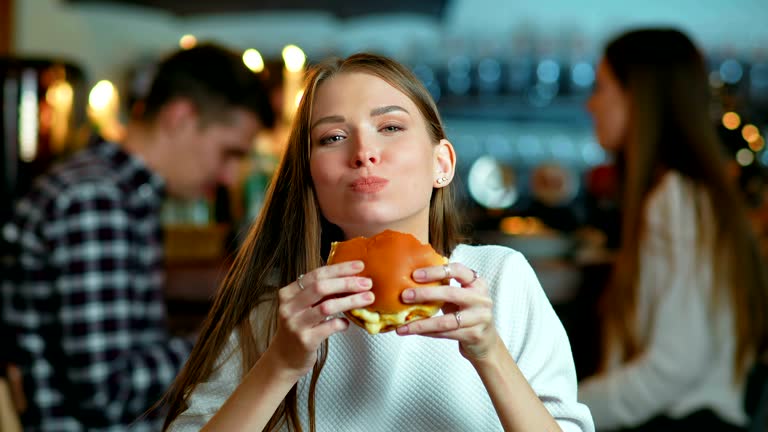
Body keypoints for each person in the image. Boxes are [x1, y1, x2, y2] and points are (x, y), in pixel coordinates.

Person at [160, 52, 594, 432]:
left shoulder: (502, 280)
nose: (364, 150)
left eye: (390, 126)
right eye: (332, 137)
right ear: (310, 176)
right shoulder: (276, 311)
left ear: (441, 162)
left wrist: (489, 352)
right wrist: (280, 364)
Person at [0, 43, 275, 431]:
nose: (230, 176)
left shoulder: (116, 193)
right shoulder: (94, 200)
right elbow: (107, 393)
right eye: (228, 152)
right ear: (180, 117)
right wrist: (242, 338)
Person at [578, 28, 768, 431]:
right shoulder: (685, 195)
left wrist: (563, 409)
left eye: (601, 87)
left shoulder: (677, 200)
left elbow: (675, 364)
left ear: (639, 97)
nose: (590, 104)